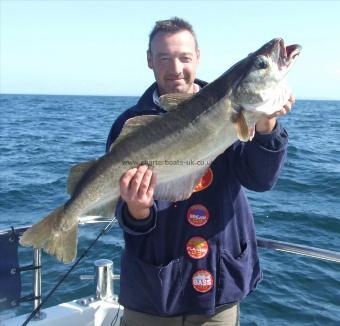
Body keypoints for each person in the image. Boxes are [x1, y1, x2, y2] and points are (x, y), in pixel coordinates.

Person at [106, 17, 294, 326]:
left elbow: (260, 180)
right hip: (151, 293)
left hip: (217, 288)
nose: (175, 68)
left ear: (198, 58)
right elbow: (122, 211)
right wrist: (138, 210)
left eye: (184, 57)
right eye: (164, 58)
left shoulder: (231, 112)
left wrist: (266, 125)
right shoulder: (131, 125)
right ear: (149, 60)